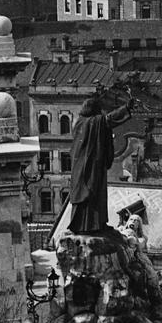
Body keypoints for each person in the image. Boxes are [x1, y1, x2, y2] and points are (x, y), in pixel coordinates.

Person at [61, 93, 134, 236]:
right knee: (93, 194)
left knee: (92, 194)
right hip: (90, 167)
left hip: (82, 167)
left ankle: (95, 224)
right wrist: (126, 109)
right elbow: (109, 120)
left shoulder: (79, 123)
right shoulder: (94, 122)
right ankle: (92, 225)